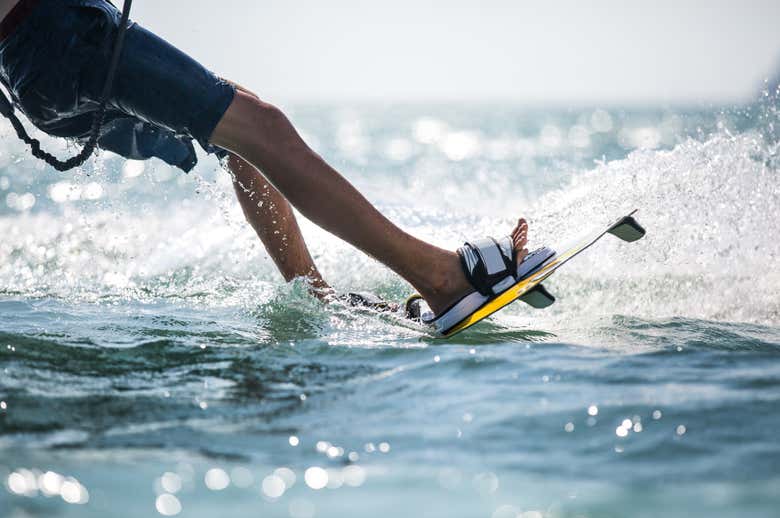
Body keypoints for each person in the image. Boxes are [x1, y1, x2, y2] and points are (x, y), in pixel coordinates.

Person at [0, 0, 530, 332]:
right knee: (262, 126)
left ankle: (317, 297)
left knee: (242, 130)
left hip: (39, 67)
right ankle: (443, 278)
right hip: (62, 36)